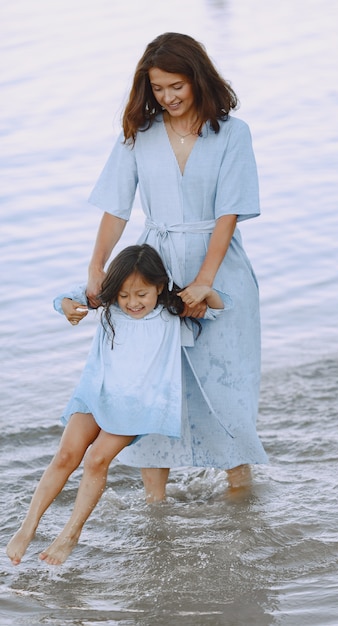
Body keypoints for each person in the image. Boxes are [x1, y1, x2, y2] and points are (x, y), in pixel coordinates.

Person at [86, 32, 268, 501]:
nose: (166, 97)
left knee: (228, 382)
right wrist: (97, 268)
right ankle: (155, 507)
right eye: (158, 88)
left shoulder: (232, 133)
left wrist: (205, 280)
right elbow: (116, 209)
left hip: (222, 270)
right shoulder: (139, 135)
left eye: (176, 86)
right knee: (155, 382)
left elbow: (228, 213)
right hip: (156, 270)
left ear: (197, 79)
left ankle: (240, 495)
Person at [6, 244, 227, 566]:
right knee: (66, 456)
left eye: (141, 294)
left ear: (160, 286)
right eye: (124, 295)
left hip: (141, 403)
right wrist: (68, 307)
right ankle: (27, 528)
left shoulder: (172, 310)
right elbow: (65, 300)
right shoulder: (109, 304)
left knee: (96, 460)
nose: (132, 303)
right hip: (97, 392)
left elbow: (219, 308)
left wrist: (206, 289)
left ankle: (70, 534)